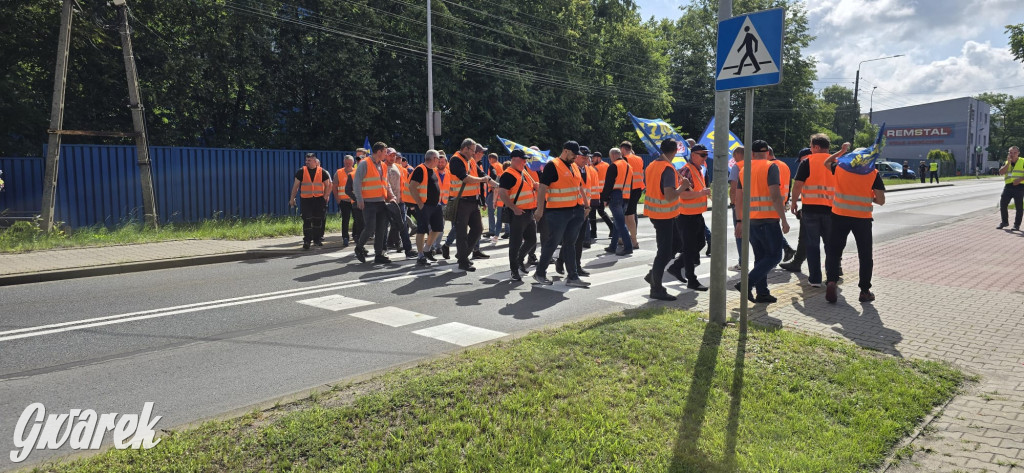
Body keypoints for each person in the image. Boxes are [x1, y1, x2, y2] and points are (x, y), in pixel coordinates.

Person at [824, 142, 885, 303]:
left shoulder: (840, 168)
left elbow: (826, 162)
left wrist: (841, 151)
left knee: (834, 251)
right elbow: (881, 200)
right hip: (862, 218)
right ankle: (864, 291)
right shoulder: (873, 173)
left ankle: (831, 281)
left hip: (839, 215)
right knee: (865, 255)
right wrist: (867, 196)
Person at [735, 140, 790, 303]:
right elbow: (774, 195)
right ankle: (747, 284)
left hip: (751, 221)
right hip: (769, 220)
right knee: (774, 257)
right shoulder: (771, 166)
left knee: (760, 258)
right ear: (767, 153)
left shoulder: (743, 170)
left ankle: (762, 292)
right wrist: (784, 220)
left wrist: (739, 220)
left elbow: (738, 199)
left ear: (751, 154)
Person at [532, 141, 590, 288]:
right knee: (553, 242)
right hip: (558, 212)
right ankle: (540, 273)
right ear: (565, 151)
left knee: (570, 244)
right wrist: (539, 209)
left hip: (575, 210)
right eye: (573, 154)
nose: (575, 157)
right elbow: (542, 188)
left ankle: (573, 276)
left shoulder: (574, 166)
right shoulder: (553, 165)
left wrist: (585, 204)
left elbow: (579, 186)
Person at [643, 139, 692, 301]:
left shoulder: (652, 166)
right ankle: (656, 288)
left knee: (677, 244)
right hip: (664, 215)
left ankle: (653, 275)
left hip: (659, 214)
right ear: (675, 151)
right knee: (664, 252)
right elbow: (670, 195)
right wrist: (683, 187)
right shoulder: (668, 169)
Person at [668, 143, 712, 291]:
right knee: (689, 247)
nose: (705, 157)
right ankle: (691, 280)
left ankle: (676, 267)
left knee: (699, 244)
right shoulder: (687, 170)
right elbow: (683, 194)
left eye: (706, 155)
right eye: (702, 155)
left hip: (696, 214)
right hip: (686, 216)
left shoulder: (698, 169)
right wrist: (701, 193)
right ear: (693, 155)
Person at [449, 139, 497, 271]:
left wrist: (497, 185)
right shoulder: (456, 160)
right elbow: (464, 177)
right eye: (473, 150)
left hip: (472, 201)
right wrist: (483, 180)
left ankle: (462, 254)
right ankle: (463, 262)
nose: (474, 153)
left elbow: (482, 175)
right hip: (461, 201)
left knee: (478, 229)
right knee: (461, 233)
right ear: (465, 148)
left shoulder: (470, 160)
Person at [498, 149, 538, 281]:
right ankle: (514, 270)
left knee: (532, 240)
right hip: (517, 213)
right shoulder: (508, 175)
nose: (525, 162)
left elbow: (528, 188)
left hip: (529, 212)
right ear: (514, 159)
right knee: (514, 243)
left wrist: (535, 186)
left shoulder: (523, 172)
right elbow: (502, 193)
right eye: (523, 159)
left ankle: (520, 259)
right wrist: (513, 208)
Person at [353, 142, 394, 264]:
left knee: (381, 229)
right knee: (370, 228)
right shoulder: (365, 163)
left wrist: (391, 196)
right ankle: (359, 247)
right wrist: (359, 199)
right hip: (368, 202)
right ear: (379, 152)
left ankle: (378, 254)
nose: (386, 154)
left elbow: (386, 183)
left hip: (381, 202)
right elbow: (357, 182)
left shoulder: (383, 166)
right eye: (385, 152)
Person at [555, 148, 594, 277]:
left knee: (579, 239)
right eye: (583, 157)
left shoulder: (587, 169)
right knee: (570, 240)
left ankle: (576, 265)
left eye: (587, 157)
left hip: (583, 208)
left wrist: (588, 206)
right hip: (571, 208)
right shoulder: (570, 168)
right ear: (576, 157)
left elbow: (588, 188)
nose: (586, 160)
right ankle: (564, 263)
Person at [405, 150, 444, 266]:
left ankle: (427, 249)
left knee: (438, 228)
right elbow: (412, 187)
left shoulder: (432, 170)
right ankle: (421, 255)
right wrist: (420, 204)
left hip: (435, 205)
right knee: (421, 230)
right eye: (438, 159)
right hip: (424, 205)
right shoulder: (420, 169)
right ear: (434, 159)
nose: (439, 161)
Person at [779, 147, 813, 274]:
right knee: (830, 240)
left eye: (801, 160)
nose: (800, 163)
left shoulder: (808, 164)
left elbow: (798, 184)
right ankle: (836, 268)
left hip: (811, 208)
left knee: (805, 238)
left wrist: (793, 203)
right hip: (830, 208)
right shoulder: (830, 163)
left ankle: (797, 263)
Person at [289, 153, 333, 250]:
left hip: (318, 200)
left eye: (309, 160)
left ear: (314, 160)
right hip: (306, 199)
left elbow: (329, 185)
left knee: (317, 220)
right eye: (306, 160)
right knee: (307, 219)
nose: (307, 162)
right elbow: (295, 186)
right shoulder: (301, 171)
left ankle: (316, 240)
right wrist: (292, 198)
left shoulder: (322, 172)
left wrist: (325, 196)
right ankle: (307, 241)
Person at [601, 147, 633, 255]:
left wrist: (605, 198)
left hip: (616, 196)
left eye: (610, 157)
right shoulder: (629, 166)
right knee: (617, 222)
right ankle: (612, 246)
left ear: (613, 155)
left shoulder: (614, 166)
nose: (611, 159)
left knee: (620, 223)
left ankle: (628, 247)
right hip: (626, 196)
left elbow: (608, 184)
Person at [385, 149, 416, 258]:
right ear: (385, 156)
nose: (393, 158)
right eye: (390, 155)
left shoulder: (399, 168)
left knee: (403, 225)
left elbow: (404, 184)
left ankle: (408, 249)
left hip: (399, 202)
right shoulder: (381, 167)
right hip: (386, 203)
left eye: (394, 156)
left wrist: (404, 197)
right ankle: (383, 250)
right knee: (384, 226)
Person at [620, 141, 645, 249]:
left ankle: (634, 241)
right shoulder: (639, 158)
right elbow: (642, 173)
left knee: (629, 216)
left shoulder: (625, 159)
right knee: (629, 214)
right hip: (638, 188)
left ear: (622, 149)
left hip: (629, 189)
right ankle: (623, 237)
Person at [588, 151, 614, 243]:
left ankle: (594, 232)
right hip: (603, 192)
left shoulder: (596, 167)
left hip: (598, 193)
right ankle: (611, 228)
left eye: (594, 158)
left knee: (593, 212)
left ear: (598, 158)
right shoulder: (607, 165)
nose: (592, 160)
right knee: (600, 211)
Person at [997, 145, 1023, 231]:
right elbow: (1001, 172)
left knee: (1019, 206)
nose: (1012, 154)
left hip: (1019, 186)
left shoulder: (1022, 161)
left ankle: (1016, 225)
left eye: (1014, 152)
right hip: (1008, 186)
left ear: (1018, 153)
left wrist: (1020, 179)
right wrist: (1008, 163)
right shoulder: (1006, 162)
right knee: (1003, 204)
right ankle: (1004, 222)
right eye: (1010, 152)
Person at [335, 155, 355, 247]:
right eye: (346, 163)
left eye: (349, 163)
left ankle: (356, 235)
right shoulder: (339, 172)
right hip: (344, 200)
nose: (348, 164)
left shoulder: (356, 172)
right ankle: (345, 237)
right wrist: (338, 199)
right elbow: (334, 186)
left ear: (353, 163)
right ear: (344, 163)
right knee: (345, 220)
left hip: (354, 200)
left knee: (358, 219)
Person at [485, 153, 504, 239]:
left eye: (489, 160)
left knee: (491, 211)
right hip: (502, 190)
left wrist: (493, 186)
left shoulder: (492, 166)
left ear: (491, 159)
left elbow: (493, 175)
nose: (489, 162)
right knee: (503, 210)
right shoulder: (501, 165)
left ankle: (492, 230)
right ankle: (507, 231)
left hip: (494, 190)